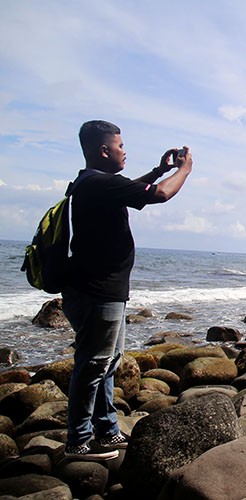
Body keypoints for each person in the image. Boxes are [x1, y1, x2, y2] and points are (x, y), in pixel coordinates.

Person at [61, 120, 193, 461]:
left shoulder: (92, 183)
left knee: (106, 363)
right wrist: (184, 170)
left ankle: (105, 431)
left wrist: (158, 169)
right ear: (104, 150)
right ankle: (78, 442)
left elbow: (133, 190)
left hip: (102, 291)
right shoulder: (100, 184)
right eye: (120, 146)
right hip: (97, 292)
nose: (124, 151)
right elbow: (160, 195)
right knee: (92, 365)